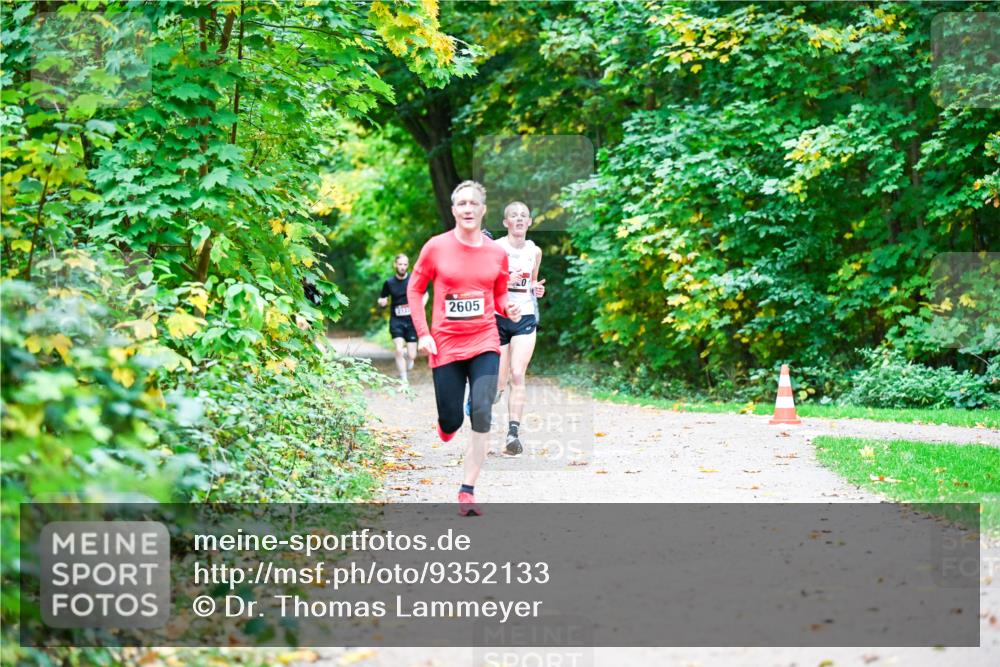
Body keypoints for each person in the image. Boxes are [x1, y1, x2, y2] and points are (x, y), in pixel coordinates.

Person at [407, 180, 522, 516]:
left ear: (483, 209)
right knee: (452, 417)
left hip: (485, 340)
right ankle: (448, 423)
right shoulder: (435, 248)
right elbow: (415, 291)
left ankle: (467, 489)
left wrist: (507, 308)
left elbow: (499, 293)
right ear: (454, 210)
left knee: (483, 410)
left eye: (474, 203)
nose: (468, 209)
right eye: (462, 204)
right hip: (445, 344)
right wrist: (423, 333)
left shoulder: (496, 253)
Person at [494, 202, 545, 455]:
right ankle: (493, 393)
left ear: (530, 222)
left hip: (524, 317)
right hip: (499, 316)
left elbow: (533, 282)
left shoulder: (534, 251)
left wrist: (537, 288)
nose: (519, 219)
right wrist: (504, 280)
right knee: (500, 380)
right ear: (506, 222)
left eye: (524, 216)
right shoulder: (495, 248)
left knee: (517, 374)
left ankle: (513, 434)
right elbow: (483, 282)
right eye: (513, 216)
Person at [377, 254, 426, 384]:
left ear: (407, 265)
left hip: (411, 321)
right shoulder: (389, 283)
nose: (403, 267)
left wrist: (420, 306)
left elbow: (425, 293)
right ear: (395, 265)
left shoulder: (413, 279)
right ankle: (403, 378)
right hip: (396, 320)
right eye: (400, 264)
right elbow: (382, 298)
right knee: (398, 349)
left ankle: (410, 358)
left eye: (405, 264)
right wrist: (382, 302)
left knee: (412, 355)